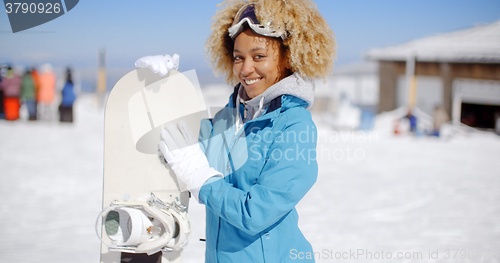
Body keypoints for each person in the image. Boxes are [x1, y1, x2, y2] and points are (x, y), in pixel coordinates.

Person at [138, 1, 336, 262]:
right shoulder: (230, 118)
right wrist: (160, 88)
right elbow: (175, 139)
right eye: (238, 57)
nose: (245, 69)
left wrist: (202, 181)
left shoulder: (294, 126)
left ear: (288, 57)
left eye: (259, 56)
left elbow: (256, 213)